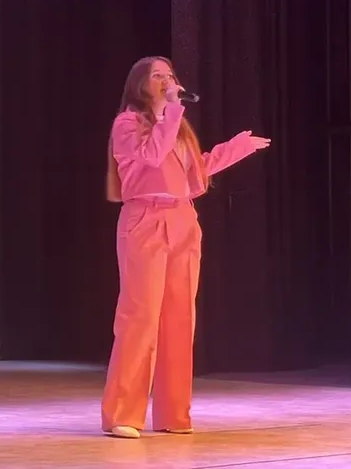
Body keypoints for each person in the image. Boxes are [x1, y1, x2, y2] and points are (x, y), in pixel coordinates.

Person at [101, 56, 271, 439]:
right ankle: (122, 413)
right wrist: (169, 112)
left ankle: (173, 413)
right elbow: (151, 156)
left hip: (183, 220)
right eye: (157, 76)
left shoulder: (177, 128)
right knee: (140, 316)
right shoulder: (128, 123)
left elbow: (198, 168)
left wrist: (237, 148)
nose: (166, 80)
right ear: (140, 85)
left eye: (170, 75)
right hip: (145, 219)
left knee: (180, 319)